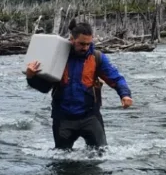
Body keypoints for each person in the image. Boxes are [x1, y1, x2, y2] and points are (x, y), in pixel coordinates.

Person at [25, 19, 133, 150]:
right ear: (72, 39)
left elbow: (115, 78)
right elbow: (44, 88)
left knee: (101, 154)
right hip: (63, 118)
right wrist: (31, 76)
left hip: (90, 116)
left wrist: (125, 95)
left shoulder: (97, 58)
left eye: (88, 44)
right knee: (62, 159)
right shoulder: (58, 57)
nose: (85, 47)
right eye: (82, 44)